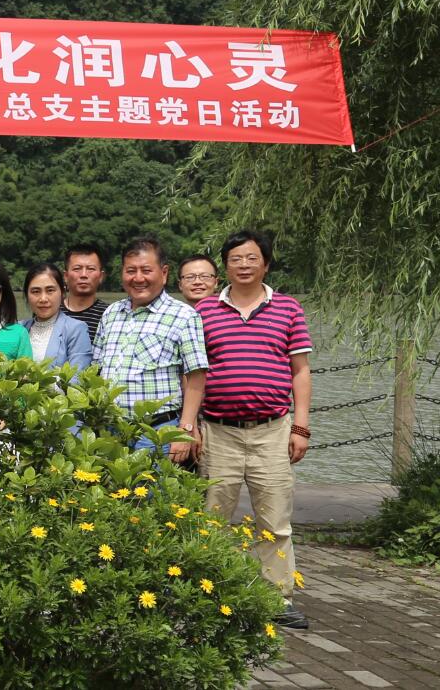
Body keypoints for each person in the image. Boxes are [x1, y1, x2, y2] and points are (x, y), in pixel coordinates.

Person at [182, 230, 313, 631]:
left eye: (251, 258)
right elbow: (193, 372)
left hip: (272, 429)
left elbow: (301, 371)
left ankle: (277, 597)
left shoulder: (287, 308)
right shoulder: (204, 311)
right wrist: (192, 426)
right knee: (212, 517)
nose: (243, 265)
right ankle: (210, 594)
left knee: (274, 519)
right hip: (217, 429)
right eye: (235, 259)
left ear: (266, 264)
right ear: (225, 266)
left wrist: (301, 427)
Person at [94, 235, 208, 464]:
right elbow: (96, 369)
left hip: (157, 432)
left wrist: (185, 428)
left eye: (146, 270)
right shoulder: (111, 313)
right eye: (131, 271)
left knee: (153, 487)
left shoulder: (183, 315)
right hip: (110, 431)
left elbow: (197, 376)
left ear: (164, 273)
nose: (138, 278)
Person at [18, 263, 96, 371]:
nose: (43, 299)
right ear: (27, 295)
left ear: (62, 292)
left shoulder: (76, 329)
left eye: (50, 290)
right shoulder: (18, 328)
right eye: (36, 291)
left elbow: (77, 375)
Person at [61, 244, 110, 342]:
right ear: (66, 276)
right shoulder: (51, 310)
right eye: (77, 269)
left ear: (101, 276)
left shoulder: (109, 315)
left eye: (91, 269)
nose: (83, 275)